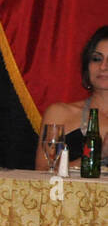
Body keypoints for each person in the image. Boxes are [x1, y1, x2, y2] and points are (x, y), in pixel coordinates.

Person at [34, 26, 108, 171]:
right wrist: (97, 155)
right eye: (96, 59)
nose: (103, 66)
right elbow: (41, 174)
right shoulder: (59, 113)